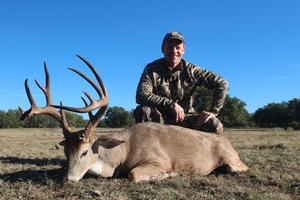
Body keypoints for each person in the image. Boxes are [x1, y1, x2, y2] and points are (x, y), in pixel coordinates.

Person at [133, 31, 228, 134]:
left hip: (186, 119)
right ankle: (147, 148)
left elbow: (222, 83)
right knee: (143, 110)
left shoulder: (192, 70)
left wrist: (213, 111)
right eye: (170, 47)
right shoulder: (151, 69)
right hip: (159, 120)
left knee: (214, 124)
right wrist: (171, 104)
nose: (174, 51)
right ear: (162, 49)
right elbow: (141, 95)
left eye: (178, 48)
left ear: (184, 50)